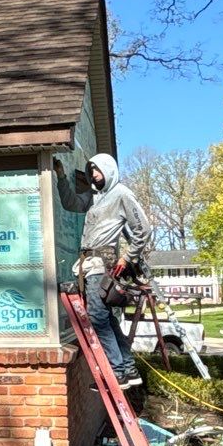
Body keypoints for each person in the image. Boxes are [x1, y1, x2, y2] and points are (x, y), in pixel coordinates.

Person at [53, 152, 152, 389]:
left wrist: (128, 257)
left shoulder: (121, 194)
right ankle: (127, 369)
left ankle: (116, 371)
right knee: (105, 317)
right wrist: (61, 177)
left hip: (102, 263)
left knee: (97, 317)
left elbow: (144, 229)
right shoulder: (94, 196)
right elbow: (71, 203)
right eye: (91, 171)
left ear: (108, 170)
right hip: (89, 264)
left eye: (97, 171)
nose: (94, 175)